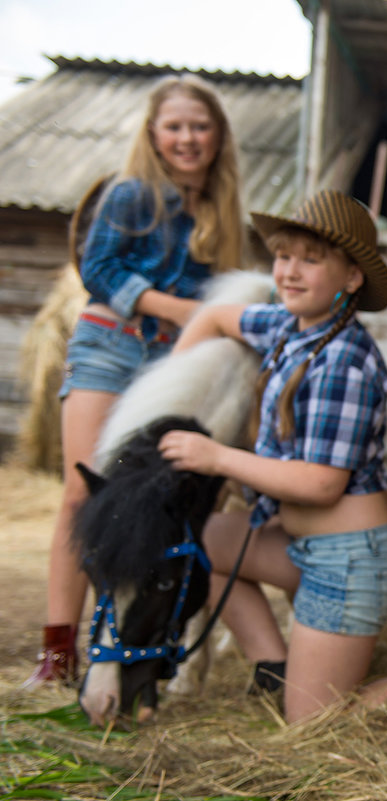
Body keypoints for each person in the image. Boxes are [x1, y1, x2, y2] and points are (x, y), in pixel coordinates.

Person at [156, 189, 387, 724]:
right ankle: (272, 665)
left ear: (352, 278)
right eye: (283, 256)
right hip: (303, 544)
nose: (290, 271)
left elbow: (322, 484)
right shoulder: (288, 326)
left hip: (352, 560)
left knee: (311, 723)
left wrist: (217, 457)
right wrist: (168, 410)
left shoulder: (344, 360)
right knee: (202, 542)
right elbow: (212, 319)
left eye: (312, 259)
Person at [25, 75, 244, 687]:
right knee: (84, 492)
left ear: (218, 136)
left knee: (157, 506)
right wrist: (177, 312)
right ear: (153, 133)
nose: (186, 138)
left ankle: (135, 640)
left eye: (199, 126)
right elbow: (96, 268)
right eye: (173, 126)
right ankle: (58, 651)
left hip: (172, 363)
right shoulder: (130, 195)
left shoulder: (224, 213)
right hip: (111, 345)